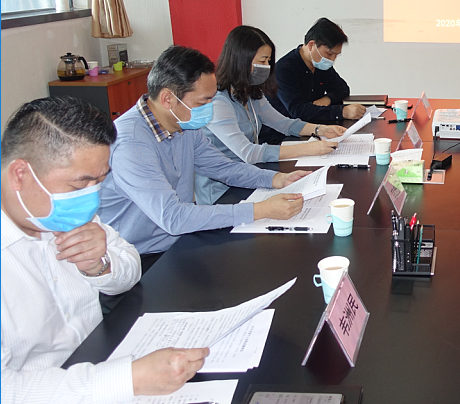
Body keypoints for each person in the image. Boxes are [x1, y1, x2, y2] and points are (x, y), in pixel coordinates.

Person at [1, 97, 208, 404]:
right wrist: (128, 379)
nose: (92, 199)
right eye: (78, 186)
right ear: (20, 175)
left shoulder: (62, 213)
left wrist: (101, 266)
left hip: (100, 360)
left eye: (99, 182)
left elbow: (130, 267)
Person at [99, 45, 311, 271]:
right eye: (202, 102)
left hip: (179, 240)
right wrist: (261, 210)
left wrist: (276, 179)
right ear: (168, 99)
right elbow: (173, 217)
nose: (209, 109)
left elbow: (221, 167)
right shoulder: (130, 143)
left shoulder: (183, 123)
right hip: (141, 258)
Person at [196, 25, 347, 205]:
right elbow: (249, 153)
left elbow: (284, 123)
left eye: (268, 60)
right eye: (263, 60)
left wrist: (320, 129)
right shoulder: (218, 102)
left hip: (251, 177)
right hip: (222, 192)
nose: (267, 66)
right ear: (242, 60)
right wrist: (308, 148)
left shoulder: (250, 93)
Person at [269, 17, 367, 121]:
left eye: (336, 55)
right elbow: (298, 111)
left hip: (313, 124)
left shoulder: (320, 65)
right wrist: (341, 112)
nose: (332, 59)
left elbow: (342, 88)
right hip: (285, 129)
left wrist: (327, 99)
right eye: (329, 54)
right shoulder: (284, 70)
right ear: (311, 45)